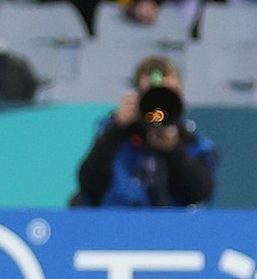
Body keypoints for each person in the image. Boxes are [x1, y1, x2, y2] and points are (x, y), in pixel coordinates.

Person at [72, 57, 218, 208]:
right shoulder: (115, 133)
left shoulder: (192, 142)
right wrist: (117, 128)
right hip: (119, 222)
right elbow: (89, 184)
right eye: (152, 95)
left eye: (169, 94)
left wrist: (173, 150)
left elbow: (200, 194)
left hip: (171, 226)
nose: (159, 106)